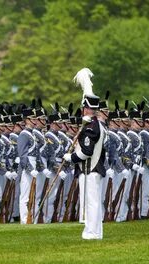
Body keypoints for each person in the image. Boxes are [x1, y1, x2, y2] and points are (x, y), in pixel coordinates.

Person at [63, 68, 106, 240]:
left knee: (91, 203)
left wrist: (71, 158)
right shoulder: (95, 125)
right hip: (93, 169)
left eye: (84, 108)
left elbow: (87, 152)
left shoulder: (90, 127)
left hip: (90, 169)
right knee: (93, 202)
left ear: (86, 109)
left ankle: (92, 232)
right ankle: (96, 232)